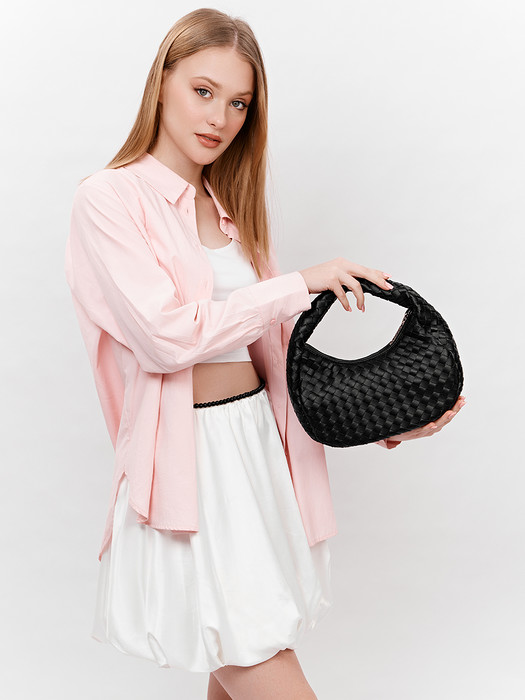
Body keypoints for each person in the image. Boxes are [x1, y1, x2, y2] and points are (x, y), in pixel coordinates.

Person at [64, 8, 466, 699]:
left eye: (238, 103)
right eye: (203, 90)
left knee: (241, 656)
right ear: (162, 81)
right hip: (192, 461)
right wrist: (297, 284)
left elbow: (272, 356)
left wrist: (385, 419)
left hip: (254, 448)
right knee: (249, 649)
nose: (219, 117)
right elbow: (166, 337)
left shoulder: (228, 206)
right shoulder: (109, 198)